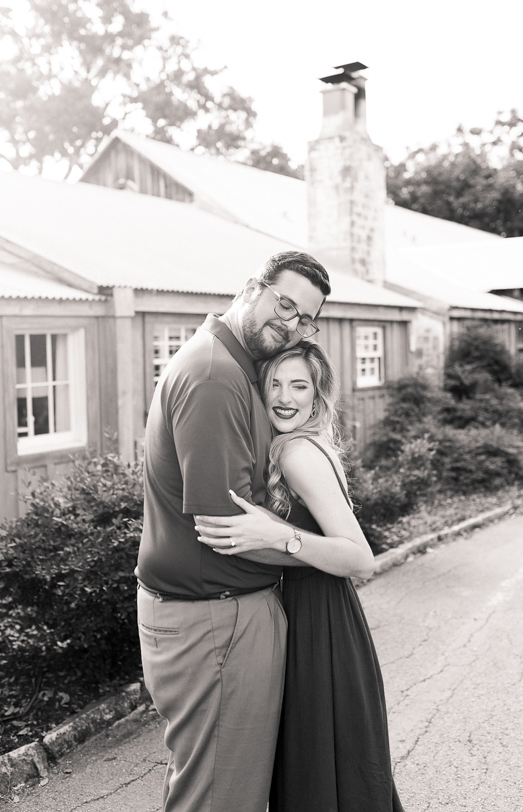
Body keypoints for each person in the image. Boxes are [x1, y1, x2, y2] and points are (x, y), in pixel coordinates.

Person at [136, 250, 330, 812]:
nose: (290, 323)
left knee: (217, 787)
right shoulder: (217, 375)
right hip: (217, 619)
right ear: (253, 287)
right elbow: (222, 525)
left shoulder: (231, 364)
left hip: (211, 613)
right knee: (221, 798)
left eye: (304, 318)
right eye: (284, 303)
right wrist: (327, 551)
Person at [194, 341, 405, 811]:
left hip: (321, 621)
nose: (285, 397)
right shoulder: (295, 445)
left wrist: (276, 535)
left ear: (317, 395)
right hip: (315, 612)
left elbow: (360, 558)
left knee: (320, 764)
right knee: (332, 762)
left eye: (299, 385)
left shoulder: (297, 454)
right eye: (275, 383)